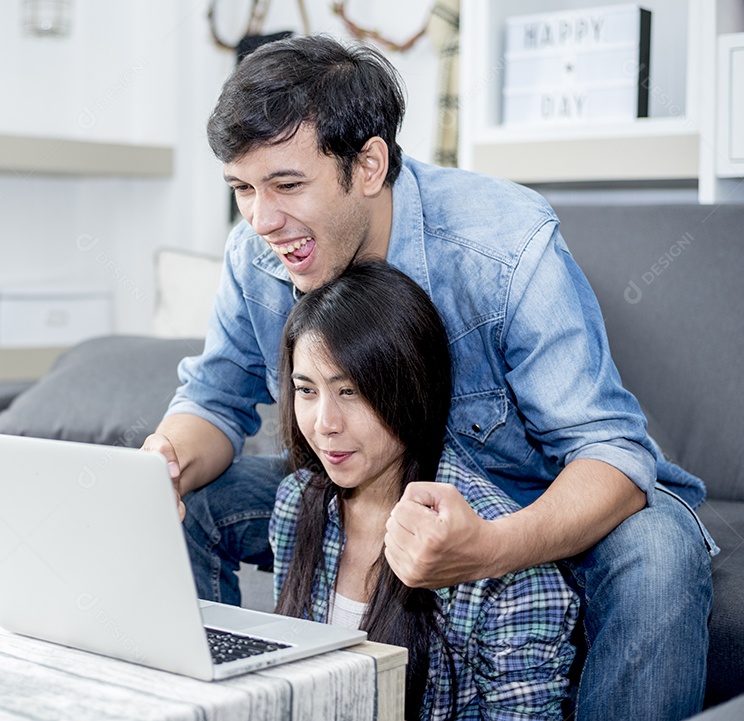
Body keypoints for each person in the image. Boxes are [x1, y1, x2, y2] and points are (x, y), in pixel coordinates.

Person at [142, 34, 716, 720]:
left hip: (532, 502)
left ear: (369, 163)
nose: (263, 219)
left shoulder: (503, 245)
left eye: (287, 184)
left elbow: (608, 450)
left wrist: (490, 548)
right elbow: (212, 399)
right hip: (372, 489)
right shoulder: (257, 256)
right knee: (189, 502)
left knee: (658, 553)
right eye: (243, 189)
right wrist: (167, 461)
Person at [272, 259, 578, 720]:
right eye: (307, 391)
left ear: (414, 387)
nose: (325, 424)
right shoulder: (297, 502)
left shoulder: (510, 572)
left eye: (350, 391)